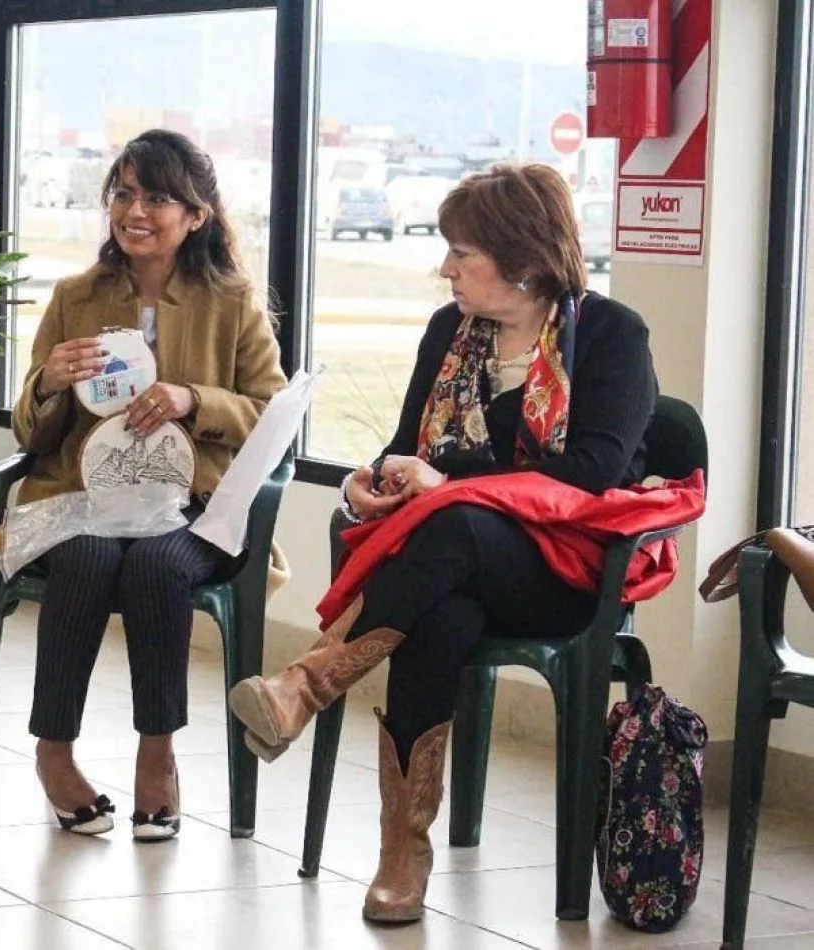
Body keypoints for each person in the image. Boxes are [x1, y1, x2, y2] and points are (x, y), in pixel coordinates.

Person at [230, 163, 660, 922]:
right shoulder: (447, 332)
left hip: (560, 567)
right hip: (450, 570)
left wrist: (449, 482)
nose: (446, 269)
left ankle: (309, 681)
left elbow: (593, 473)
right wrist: (370, 482)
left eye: (462, 253)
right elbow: (404, 447)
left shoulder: (611, 336)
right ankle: (404, 850)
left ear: (523, 257)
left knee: (457, 524)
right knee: (444, 615)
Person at [15, 129, 286, 841]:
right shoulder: (76, 296)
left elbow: (271, 411)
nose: (136, 210)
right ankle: (53, 752)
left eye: (158, 197)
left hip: (193, 507)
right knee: (88, 557)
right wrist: (47, 383)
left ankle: (157, 756)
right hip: (82, 499)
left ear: (196, 215)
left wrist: (194, 398)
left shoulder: (233, 302)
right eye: (124, 194)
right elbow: (28, 432)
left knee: (158, 567)